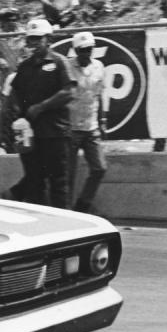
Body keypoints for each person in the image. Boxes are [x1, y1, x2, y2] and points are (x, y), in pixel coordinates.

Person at [9, 19, 76, 208]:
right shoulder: (24, 67)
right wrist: (17, 118)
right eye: (31, 39)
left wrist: (40, 107)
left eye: (38, 38)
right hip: (30, 134)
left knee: (59, 181)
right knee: (34, 179)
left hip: (56, 131)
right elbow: (15, 94)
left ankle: (64, 222)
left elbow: (69, 92)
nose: (34, 43)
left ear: (48, 39)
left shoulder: (59, 62)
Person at [67, 32, 108, 213]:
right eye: (82, 50)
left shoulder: (99, 66)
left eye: (89, 49)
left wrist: (103, 119)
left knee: (99, 168)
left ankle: (83, 205)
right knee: (68, 174)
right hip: (71, 127)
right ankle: (65, 210)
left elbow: (100, 94)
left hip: (91, 126)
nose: (86, 53)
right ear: (76, 50)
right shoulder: (67, 67)